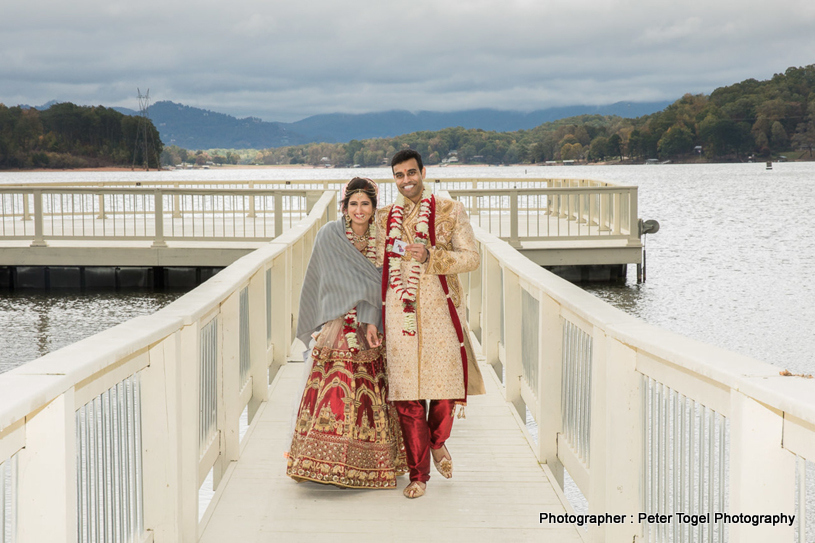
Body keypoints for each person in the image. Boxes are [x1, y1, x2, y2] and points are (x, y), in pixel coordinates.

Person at [376, 149, 486, 498]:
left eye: (411, 173)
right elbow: (368, 263)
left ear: (423, 171)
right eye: (399, 175)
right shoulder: (383, 218)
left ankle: (438, 442)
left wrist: (432, 255)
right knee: (406, 399)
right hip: (398, 313)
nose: (406, 180)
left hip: (440, 310)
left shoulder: (451, 211)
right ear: (393, 179)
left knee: (443, 391)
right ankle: (418, 475)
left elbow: (472, 259)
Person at [287, 177, 406, 489]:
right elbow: (321, 277)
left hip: (370, 321)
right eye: (353, 203)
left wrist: (370, 317)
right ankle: (319, 459)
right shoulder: (330, 234)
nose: (359, 210)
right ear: (344, 206)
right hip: (337, 319)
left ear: (373, 206)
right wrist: (335, 312)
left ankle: (367, 464)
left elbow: (385, 279)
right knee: (334, 387)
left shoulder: (382, 238)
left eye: (365, 203)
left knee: (369, 390)